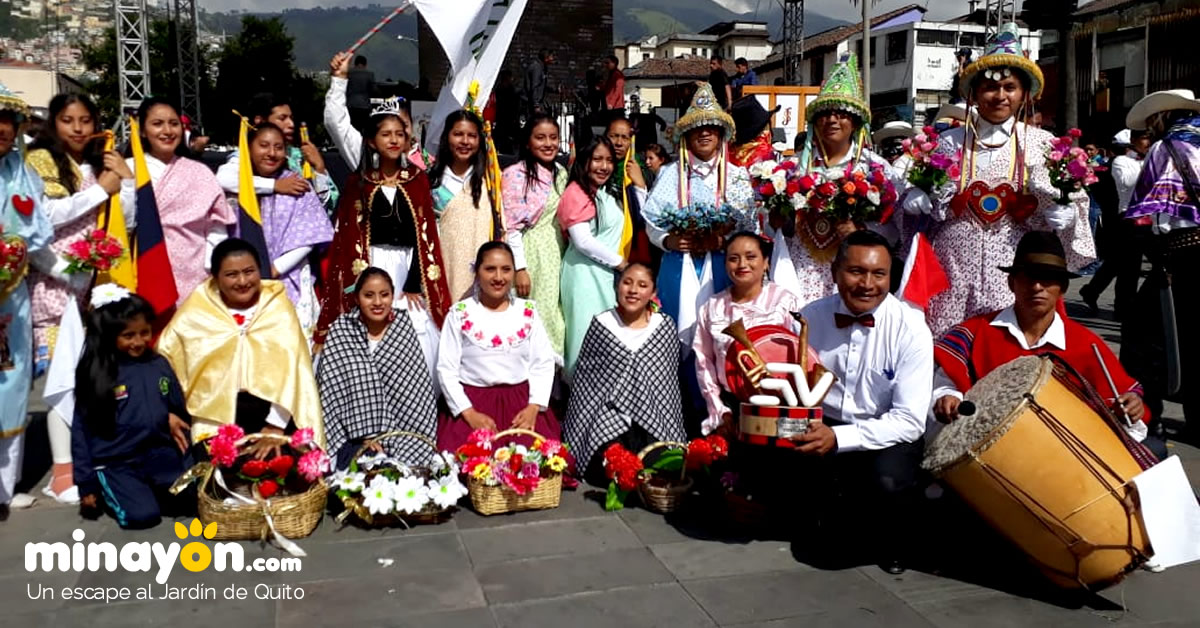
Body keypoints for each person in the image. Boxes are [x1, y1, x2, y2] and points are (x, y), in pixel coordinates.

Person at [902, 23, 1094, 335]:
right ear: (975, 93)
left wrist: (1068, 212)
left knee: (1004, 342)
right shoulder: (947, 142)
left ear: (1023, 95)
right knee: (944, 341)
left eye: (1010, 87)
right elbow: (912, 212)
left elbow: (1074, 200)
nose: (1000, 96)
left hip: (1012, 263)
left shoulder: (1044, 144)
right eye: (991, 88)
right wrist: (915, 198)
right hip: (950, 262)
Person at [931, 231, 1166, 460]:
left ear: (1062, 288)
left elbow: (1123, 395)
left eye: (1047, 279)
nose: (1036, 287)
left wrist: (1131, 405)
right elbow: (946, 382)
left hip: (1064, 456)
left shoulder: (1085, 343)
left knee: (1153, 451)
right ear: (1011, 283)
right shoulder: (975, 331)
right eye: (1028, 277)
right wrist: (949, 396)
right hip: (989, 453)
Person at [797, 230, 933, 574]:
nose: (867, 284)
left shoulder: (912, 328)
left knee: (888, 482)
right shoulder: (809, 317)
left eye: (878, 274)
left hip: (886, 430)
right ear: (835, 273)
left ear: (891, 277)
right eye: (856, 271)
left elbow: (909, 422)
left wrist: (839, 439)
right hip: (822, 420)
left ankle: (893, 543)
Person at [315, 94, 451, 358]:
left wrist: (414, 283)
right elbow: (347, 238)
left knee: (413, 327)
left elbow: (424, 236)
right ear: (371, 141)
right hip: (371, 264)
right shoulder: (360, 182)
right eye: (386, 134)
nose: (394, 140)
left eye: (399, 134)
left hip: (409, 267)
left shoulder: (417, 180)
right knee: (371, 326)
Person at [157, 238, 324, 445]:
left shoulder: (278, 306)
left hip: (275, 415)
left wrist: (275, 426)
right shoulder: (196, 311)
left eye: (249, 271)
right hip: (212, 418)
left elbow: (294, 370)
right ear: (216, 278)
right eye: (231, 275)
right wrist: (167, 411)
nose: (243, 281)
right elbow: (164, 359)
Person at [776, 53, 901, 305]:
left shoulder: (875, 168)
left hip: (854, 274)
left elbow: (895, 230)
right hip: (801, 269)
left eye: (841, 114)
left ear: (855, 122)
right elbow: (777, 229)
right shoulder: (792, 168)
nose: (832, 120)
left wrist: (860, 231)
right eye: (825, 113)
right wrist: (781, 218)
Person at [642, 82, 756, 352]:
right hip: (679, 265)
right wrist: (668, 241)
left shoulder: (737, 175)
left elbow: (749, 225)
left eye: (711, 128)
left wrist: (724, 240)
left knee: (722, 335)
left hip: (724, 265)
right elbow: (651, 222)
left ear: (720, 134)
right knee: (672, 332)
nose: (704, 133)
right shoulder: (670, 173)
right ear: (687, 136)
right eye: (697, 128)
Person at [27, 94, 137, 374]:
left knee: (94, 376)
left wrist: (126, 181)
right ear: (53, 124)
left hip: (97, 281)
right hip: (53, 276)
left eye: (85, 121)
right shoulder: (40, 160)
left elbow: (124, 220)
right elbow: (45, 217)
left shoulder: (100, 162)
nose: (78, 129)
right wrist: (100, 190)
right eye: (68, 121)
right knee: (59, 379)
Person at [72, 288, 192, 529]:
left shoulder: (158, 364)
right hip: (117, 461)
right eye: (128, 335)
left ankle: (150, 491)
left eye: (144, 333)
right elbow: (81, 430)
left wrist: (168, 416)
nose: (139, 342)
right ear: (109, 335)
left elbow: (176, 407)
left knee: (193, 498)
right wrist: (85, 482)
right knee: (142, 517)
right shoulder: (98, 373)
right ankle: (111, 489)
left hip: (158, 453)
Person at [562, 263, 685, 485]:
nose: (633, 290)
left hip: (653, 415)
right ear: (617, 286)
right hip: (608, 413)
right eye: (627, 282)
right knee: (605, 469)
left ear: (653, 292)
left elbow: (666, 388)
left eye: (642, 285)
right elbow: (587, 384)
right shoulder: (602, 324)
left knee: (660, 466)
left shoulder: (664, 327)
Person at [1122, 88, 1200, 436]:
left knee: (1144, 335)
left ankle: (1147, 410)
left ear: (1164, 115)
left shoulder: (1165, 148)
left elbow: (1151, 212)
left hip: (1180, 254)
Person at [435, 242, 558, 452]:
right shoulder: (460, 313)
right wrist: (469, 413)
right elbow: (446, 369)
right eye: (490, 269)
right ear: (477, 272)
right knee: (469, 468)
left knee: (533, 465)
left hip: (520, 405)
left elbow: (543, 363)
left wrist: (533, 407)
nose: (498, 277)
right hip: (474, 404)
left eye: (506, 269)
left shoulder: (526, 312)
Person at [317, 268, 438, 468]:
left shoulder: (402, 328)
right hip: (352, 439)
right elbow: (330, 391)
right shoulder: (342, 330)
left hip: (404, 435)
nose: (377, 303)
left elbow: (417, 391)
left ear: (392, 295)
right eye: (368, 295)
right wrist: (364, 436)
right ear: (357, 298)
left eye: (384, 295)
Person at [125, 97, 235, 307]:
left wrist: (212, 266)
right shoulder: (126, 169)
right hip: (141, 266)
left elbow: (216, 225)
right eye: (157, 124)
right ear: (142, 130)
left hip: (194, 272)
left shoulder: (200, 172)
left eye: (174, 124)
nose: (167, 131)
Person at [693, 232, 805, 436]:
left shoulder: (786, 302)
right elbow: (704, 362)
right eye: (733, 258)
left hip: (783, 403)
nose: (742, 264)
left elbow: (802, 355)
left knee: (785, 463)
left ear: (766, 263)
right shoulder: (712, 307)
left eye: (751, 257)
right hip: (732, 406)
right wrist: (719, 410)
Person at [0, 83, 53, 516]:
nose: (2, 130)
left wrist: (75, 273)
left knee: (13, 385)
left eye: (9, 122)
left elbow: (38, 237)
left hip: (10, 298)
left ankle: (5, 484)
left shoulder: (24, 175)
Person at [230, 123, 334, 336]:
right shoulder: (235, 184)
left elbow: (309, 237)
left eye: (278, 147)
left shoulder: (297, 185)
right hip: (241, 281)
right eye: (264, 145)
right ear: (249, 148)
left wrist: (274, 268)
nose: (271, 153)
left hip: (289, 274)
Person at [501, 114, 568, 364]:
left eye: (553, 137)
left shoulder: (561, 173)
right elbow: (511, 227)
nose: (548, 143)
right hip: (533, 253)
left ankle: (555, 383)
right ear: (528, 142)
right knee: (539, 313)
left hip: (558, 251)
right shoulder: (515, 174)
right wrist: (520, 268)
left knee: (558, 314)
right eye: (540, 138)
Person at [559, 137, 626, 375]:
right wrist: (622, 264)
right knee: (584, 337)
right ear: (585, 161)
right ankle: (579, 401)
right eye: (597, 159)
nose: (604, 166)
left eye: (609, 160)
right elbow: (583, 241)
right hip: (584, 276)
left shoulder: (603, 192)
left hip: (604, 274)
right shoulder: (576, 192)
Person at [216, 92, 339, 216]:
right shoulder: (247, 156)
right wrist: (275, 185)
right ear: (259, 121)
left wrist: (319, 168)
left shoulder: (301, 157)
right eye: (282, 118)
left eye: (291, 118)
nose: (291, 124)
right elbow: (224, 179)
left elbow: (323, 207)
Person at [429, 110, 503, 301]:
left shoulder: (491, 181)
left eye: (472, 135)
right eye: (458, 134)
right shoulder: (432, 181)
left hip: (482, 269)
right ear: (446, 137)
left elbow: (502, 227)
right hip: (444, 265)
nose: (465, 141)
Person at [1080, 128, 1151, 317]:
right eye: (1144, 139)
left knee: (1118, 262)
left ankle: (1093, 291)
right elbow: (1125, 183)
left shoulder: (1143, 161)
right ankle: (1123, 307)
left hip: (1147, 218)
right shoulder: (1121, 162)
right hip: (1126, 219)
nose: (1147, 144)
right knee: (1127, 266)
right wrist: (1150, 166)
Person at [327, 52, 427, 172]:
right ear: (374, 138)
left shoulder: (428, 164)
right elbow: (336, 123)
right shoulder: (365, 158)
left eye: (402, 129)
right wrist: (339, 79)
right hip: (359, 109)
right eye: (386, 133)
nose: (394, 139)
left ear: (412, 127)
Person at [605, 117, 653, 267]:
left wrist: (640, 184)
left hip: (632, 249)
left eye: (625, 138)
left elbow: (651, 214)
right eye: (614, 136)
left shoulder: (641, 169)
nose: (619, 143)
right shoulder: (595, 167)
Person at [347, 55, 375, 133]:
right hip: (364, 106)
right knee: (364, 129)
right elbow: (374, 90)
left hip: (351, 106)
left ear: (355, 64)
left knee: (352, 129)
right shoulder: (369, 74)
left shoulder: (349, 73)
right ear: (365, 64)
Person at [524, 49, 554, 117]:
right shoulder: (537, 68)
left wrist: (555, 90)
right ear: (546, 58)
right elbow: (534, 86)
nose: (552, 59)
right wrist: (536, 105)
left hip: (539, 102)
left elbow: (542, 85)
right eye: (551, 56)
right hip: (533, 103)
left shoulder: (543, 68)